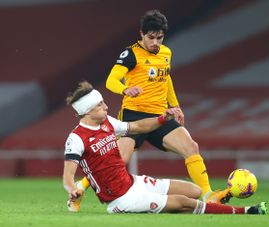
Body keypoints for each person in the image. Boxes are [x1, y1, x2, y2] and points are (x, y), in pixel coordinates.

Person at [72, 9, 232, 211]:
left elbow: (167, 80)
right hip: (134, 116)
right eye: (151, 37)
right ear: (141, 34)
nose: (155, 42)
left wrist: (175, 105)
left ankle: (209, 195)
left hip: (160, 116)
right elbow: (111, 80)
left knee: (191, 147)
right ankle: (79, 189)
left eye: (160, 37)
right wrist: (125, 89)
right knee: (118, 161)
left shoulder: (166, 53)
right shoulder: (130, 54)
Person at [63, 81, 268, 215]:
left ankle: (200, 204)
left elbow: (137, 126)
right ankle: (245, 211)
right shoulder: (76, 138)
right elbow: (67, 175)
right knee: (182, 203)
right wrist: (72, 189)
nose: (106, 107)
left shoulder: (107, 122)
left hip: (134, 182)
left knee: (194, 191)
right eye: (100, 105)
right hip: (122, 199)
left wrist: (163, 118)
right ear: (87, 112)